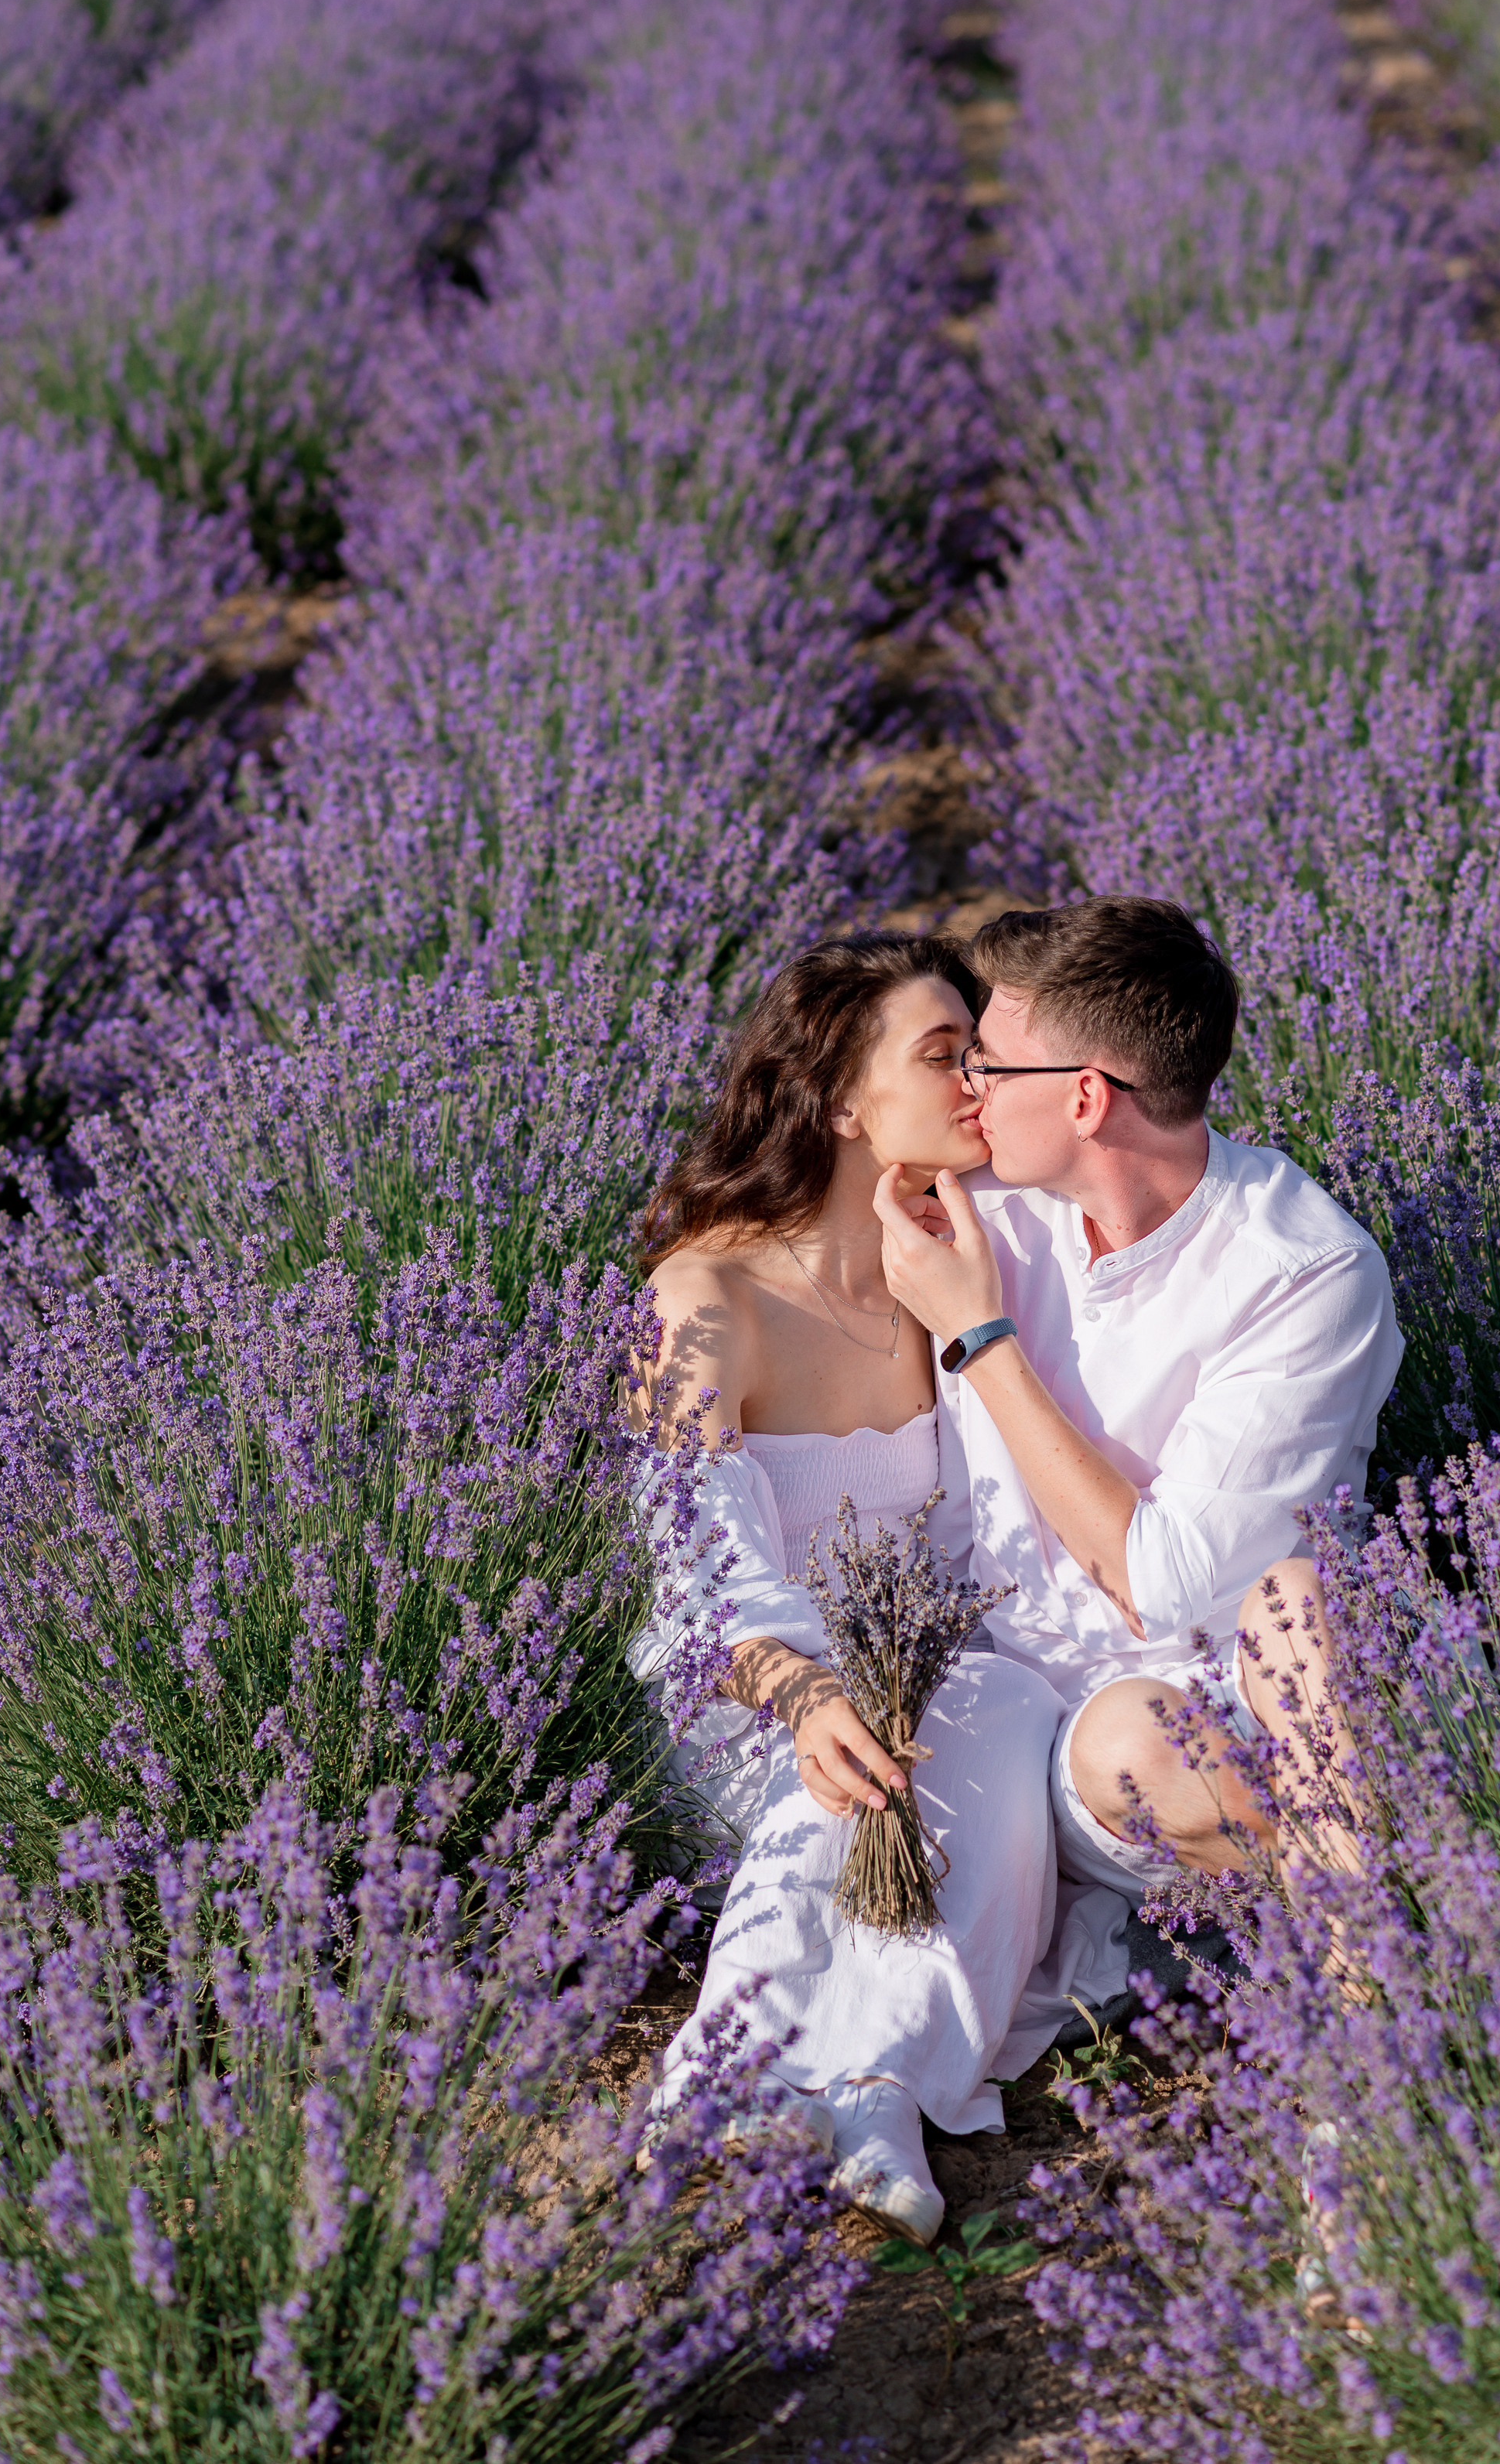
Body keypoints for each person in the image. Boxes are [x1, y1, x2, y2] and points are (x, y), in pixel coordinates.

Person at [630, 933, 1079, 2246]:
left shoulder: (958, 1267)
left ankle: (867, 2084)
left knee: (998, 1707)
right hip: (746, 1696)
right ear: (838, 1100)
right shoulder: (706, 1297)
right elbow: (691, 1566)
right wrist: (811, 1688)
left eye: (984, 1054)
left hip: (932, 1691)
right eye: (945, 1057)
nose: (979, 1083)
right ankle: (748, 2072)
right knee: (865, 1762)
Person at [874, 897, 1403, 1991]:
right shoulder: (983, 1216)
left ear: (1084, 1097)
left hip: (1313, 1709)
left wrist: (984, 1341)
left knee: (1299, 1600)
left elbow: (1162, 1583)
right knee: (1137, 1737)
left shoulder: (1303, 1268)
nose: (967, 1087)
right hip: (1099, 1738)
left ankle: (1367, 2017)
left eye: (989, 1063)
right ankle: (1419, 1918)